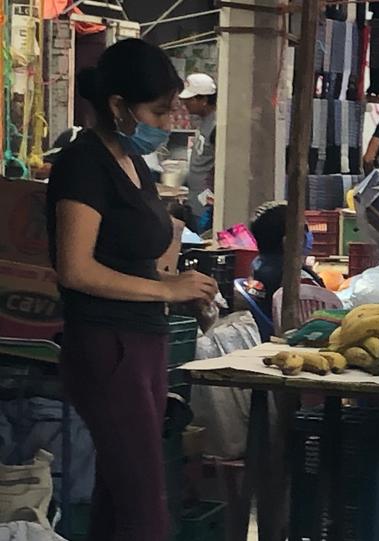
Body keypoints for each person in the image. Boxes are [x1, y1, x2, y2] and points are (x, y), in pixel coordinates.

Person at [45, 39, 218, 541]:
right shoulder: (84, 163)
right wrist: (165, 290)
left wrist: (178, 286)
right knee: (145, 511)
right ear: (118, 105)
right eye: (159, 111)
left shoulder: (131, 162)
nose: (166, 124)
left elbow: (130, 257)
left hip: (141, 344)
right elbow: (75, 270)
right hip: (107, 348)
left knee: (117, 501)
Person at [249, 202, 325, 320]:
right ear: (289, 242)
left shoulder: (257, 264)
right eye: (305, 230)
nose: (309, 236)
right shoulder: (297, 279)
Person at [179, 73, 217, 228]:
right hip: (195, 199)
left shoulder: (215, 125)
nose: (186, 104)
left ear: (204, 100)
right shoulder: (203, 122)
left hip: (205, 203)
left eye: (190, 100)